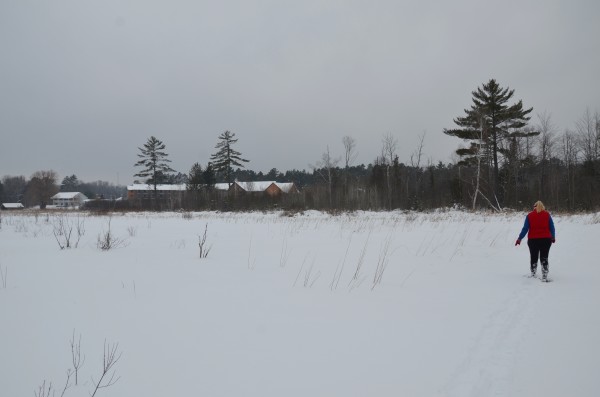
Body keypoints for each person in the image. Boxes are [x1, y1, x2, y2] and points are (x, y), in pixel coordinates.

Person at [515, 201, 556, 281]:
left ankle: (533, 274)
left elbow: (525, 229)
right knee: (544, 257)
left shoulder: (530, 215)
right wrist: (553, 237)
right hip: (546, 240)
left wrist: (519, 238)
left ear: (534, 207)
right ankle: (544, 276)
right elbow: (552, 227)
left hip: (533, 240)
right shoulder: (547, 215)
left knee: (534, 257)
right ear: (543, 206)